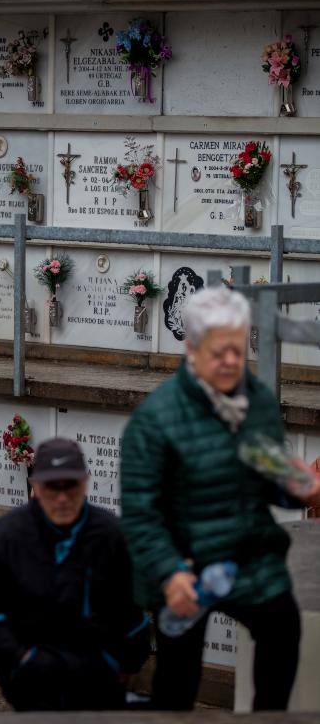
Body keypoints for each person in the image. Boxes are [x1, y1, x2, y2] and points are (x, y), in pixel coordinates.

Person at [121, 287, 320, 711]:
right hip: (184, 559)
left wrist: (296, 485)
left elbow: (267, 476)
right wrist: (170, 573)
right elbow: (141, 515)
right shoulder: (155, 421)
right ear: (192, 350)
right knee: (179, 676)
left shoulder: (257, 401)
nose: (232, 361)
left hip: (248, 552)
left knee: (281, 629)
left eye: (237, 348)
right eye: (219, 352)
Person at [0, 437, 150, 711]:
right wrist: (20, 657)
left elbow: (131, 608)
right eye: (51, 487)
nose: (61, 498)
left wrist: (122, 661)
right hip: (30, 676)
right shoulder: (3, 536)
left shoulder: (112, 534)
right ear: (35, 485)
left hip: (98, 675)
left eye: (70, 486)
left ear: (85, 482)